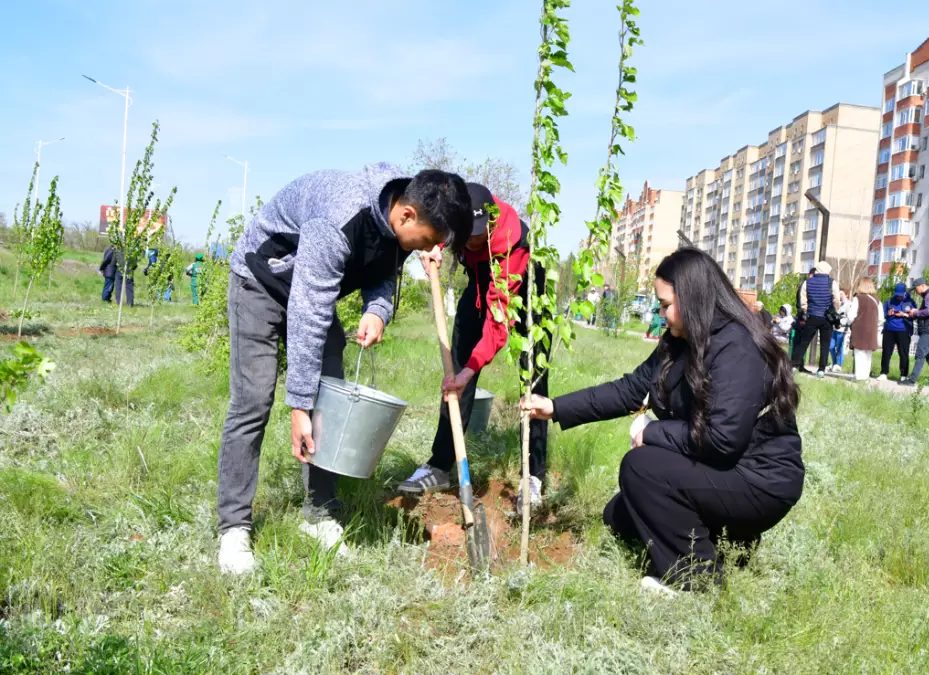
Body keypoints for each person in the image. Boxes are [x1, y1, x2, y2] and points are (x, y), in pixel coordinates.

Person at [215, 164, 473, 575]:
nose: (431, 252)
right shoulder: (339, 217)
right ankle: (233, 528)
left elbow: (384, 268)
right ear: (406, 215)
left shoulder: (401, 214)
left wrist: (378, 311)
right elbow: (308, 311)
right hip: (261, 280)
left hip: (306, 287)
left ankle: (318, 512)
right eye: (429, 241)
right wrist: (299, 405)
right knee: (253, 401)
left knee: (330, 399)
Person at [521, 248, 804, 593]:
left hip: (759, 480)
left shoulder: (737, 349)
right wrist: (555, 407)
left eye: (665, 304)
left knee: (641, 468)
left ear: (693, 297)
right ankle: (731, 543)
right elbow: (631, 389)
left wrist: (652, 431)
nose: (660, 313)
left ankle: (697, 580)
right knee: (620, 516)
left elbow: (722, 439)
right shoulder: (681, 341)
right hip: (726, 467)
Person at [396, 183, 550, 508]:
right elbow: (430, 227)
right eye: (467, 232)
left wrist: (472, 369)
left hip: (523, 293)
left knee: (534, 384)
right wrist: (432, 245)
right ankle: (439, 466)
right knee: (455, 379)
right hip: (480, 285)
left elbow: (498, 325)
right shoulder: (455, 223)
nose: (473, 238)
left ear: (491, 223)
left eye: (479, 233)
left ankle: (533, 476)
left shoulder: (512, 241)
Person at [793, 260, 841, 377]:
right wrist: (834, 311)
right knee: (825, 344)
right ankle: (821, 369)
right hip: (826, 318)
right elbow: (836, 300)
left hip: (812, 316)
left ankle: (794, 365)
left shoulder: (807, 282)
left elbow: (803, 300)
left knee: (804, 342)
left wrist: (805, 310)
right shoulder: (832, 283)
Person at [900, 277, 929, 387]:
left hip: (928, 331)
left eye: (916, 289)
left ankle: (912, 380)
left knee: (920, 355)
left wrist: (916, 313)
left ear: (922, 286)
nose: (916, 292)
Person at [844, 277, 882, 382]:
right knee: (868, 355)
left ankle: (859, 377)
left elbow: (851, 316)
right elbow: (881, 318)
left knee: (859, 354)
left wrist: (848, 323)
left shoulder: (858, 298)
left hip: (859, 331)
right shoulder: (877, 300)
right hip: (872, 332)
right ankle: (865, 376)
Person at [879, 282, 916, 382]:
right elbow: (883, 314)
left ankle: (904, 375)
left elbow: (915, 315)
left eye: (900, 295)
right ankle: (883, 372)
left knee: (903, 353)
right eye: (897, 295)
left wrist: (904, 314)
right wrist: (888, 313)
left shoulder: (911, 302)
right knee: (886, 352)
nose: (898, 297)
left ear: (904, 293)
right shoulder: (890, 301)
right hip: (889, 330)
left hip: (903, 330)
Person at [829, 290, 850, 373]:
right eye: (839, 294)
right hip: (834, 327)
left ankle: (838, 364)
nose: (840, 295)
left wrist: (843, 323)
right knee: (831, 346)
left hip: (842, 328)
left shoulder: (849, 304)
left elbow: (848, 316)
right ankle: (834, 363)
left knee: (839, 347)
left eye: (841, 294)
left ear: (846, 294)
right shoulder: (837, 303)